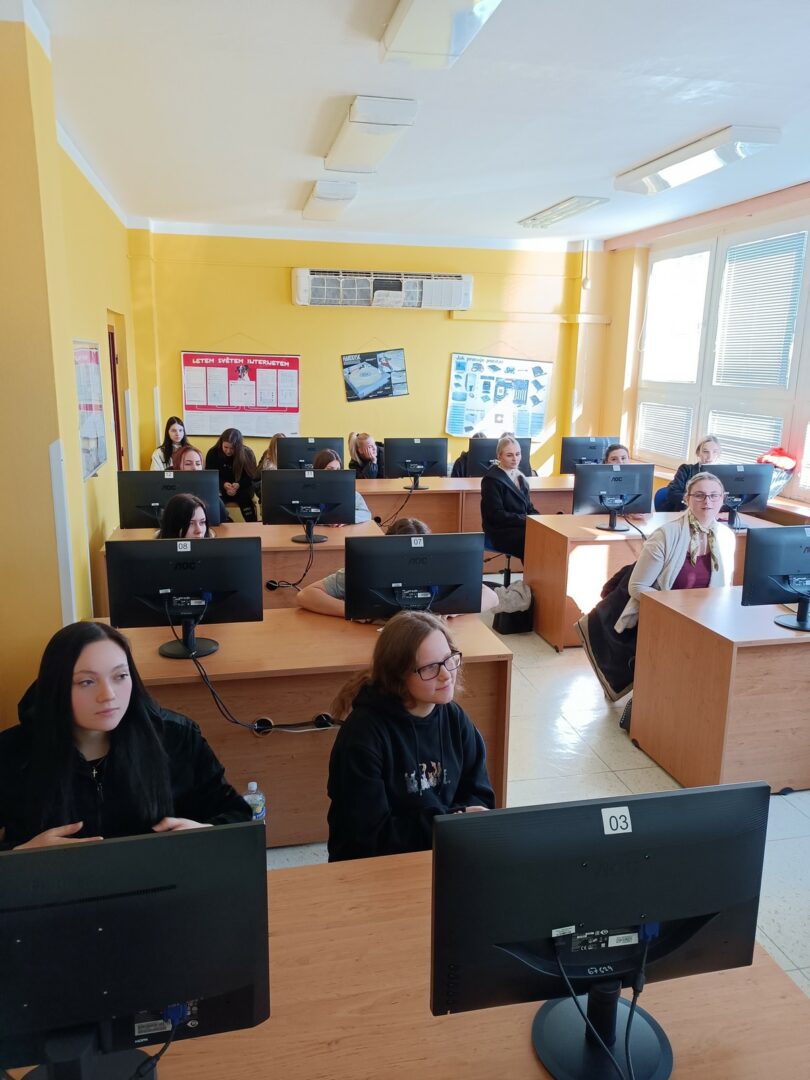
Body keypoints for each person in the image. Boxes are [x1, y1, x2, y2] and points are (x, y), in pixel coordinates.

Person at [0, 622, 250, 850]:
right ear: (56, 687)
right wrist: (18, 857)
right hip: (56, 884)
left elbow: (238, 816)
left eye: (120, 676)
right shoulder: (10, 752)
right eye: (87, 682)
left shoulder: (177, 738)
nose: (108, 695)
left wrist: (206, 832)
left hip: (160, 880)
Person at [326, 610, 495, 861]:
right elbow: (369, 838)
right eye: (430, 667)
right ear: (398, 675)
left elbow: (480, 794)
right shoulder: (362, 736)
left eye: (449, 659)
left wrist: (458, 821)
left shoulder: (454, 718)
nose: (446, 675)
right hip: (375, 865)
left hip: (444, 849)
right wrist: (450, 822)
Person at [575, 471, 735, 712]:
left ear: (723, 499)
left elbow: (724, 587)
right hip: (665, 614)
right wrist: (673, 609)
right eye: (700, 495)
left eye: (714, 496)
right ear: (687, 499)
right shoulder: (666, 536)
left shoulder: (726, 537)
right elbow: (637, 587)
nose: (707, 502)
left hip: (704, 616)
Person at [295, 517, 499, 618]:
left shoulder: (442, 568)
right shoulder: (368, 569)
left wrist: (458, 610)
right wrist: (350, 611)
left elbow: (491, 596)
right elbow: (306, 595)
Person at [480, 436, 539, 559]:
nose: (515, 459)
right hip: (500, 531)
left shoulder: (520, 478)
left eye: (518, 454)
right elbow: (496, 515)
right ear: (499, 456)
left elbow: (528, 507)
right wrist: (526, 520)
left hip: (520, 526)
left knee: (545, 534)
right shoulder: (491, 480)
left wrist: (539, 519)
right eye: (509, 455)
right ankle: (534, 571)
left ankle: (543, 571)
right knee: (532, 540)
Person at [655, 435, 721, 511]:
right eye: (705, 451)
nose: (710, 457)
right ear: (698, 452)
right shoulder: (686, 470)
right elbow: (672, 493)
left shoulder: (722, 474)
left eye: (714, 452)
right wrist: (696, 500)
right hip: (686, 512)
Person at [205, 428, 258, 522]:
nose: (228, 451)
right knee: (214, 501)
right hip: (220, 488)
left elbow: (251, 477)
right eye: (225, 447)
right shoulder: (212, 453)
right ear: (221, 443)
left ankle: (252, 525)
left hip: (242, 488)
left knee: (245, 499)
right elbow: (210, 475)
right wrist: (223, 485)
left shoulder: (247, 453)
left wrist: (238, 485)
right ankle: (223, 522)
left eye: (232, 448)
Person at [172, 443, 232, 523]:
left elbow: (222, 516)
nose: (195, 468)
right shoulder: (171, 486)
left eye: (198, 464)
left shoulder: (206, 485)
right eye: (188, 464)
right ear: (177, 466)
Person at [312, 447, 371, 523]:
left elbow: (366, 513)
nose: (335, 474)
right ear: (318, 470)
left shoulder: (348, 491)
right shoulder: (310, 491)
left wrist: (345, 518)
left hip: (342, 529)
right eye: (330, 469)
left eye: (337, 470)